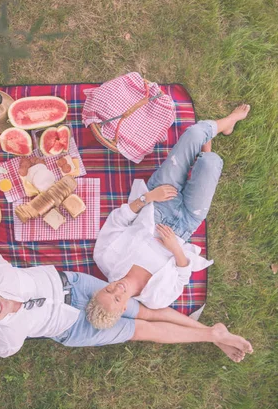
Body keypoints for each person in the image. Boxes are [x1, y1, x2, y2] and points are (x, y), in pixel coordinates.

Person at [0, 230, 253, 364]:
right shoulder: (5, 337)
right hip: (74, 328)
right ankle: (213, 334)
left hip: (75, 285)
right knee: (143, 331)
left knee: (142, 310)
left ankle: (214, 335)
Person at [88, 105, 250, 330]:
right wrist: (175, 248)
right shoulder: (156, 299)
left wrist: (147, 197)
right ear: (124, 308)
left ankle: (229, 121)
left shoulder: (105, 258)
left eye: (108, 290)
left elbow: (119, 219)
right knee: (211, 164)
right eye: (117, 298)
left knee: (194, 133)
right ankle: (206, 150)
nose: (116, 289)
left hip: (157, 205)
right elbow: (183, 275)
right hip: (185, 226)